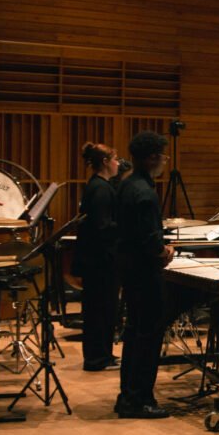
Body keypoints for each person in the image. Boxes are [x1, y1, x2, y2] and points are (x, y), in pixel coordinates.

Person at [114, 131, 174, 419]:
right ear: (152, 157)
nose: (165, 160)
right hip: (145, 274)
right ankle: (140, 400)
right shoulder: (146, 193)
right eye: (163, 155)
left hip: (129, 272)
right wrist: (167, 251)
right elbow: (152, 243)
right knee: (149, 337)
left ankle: (127, 396)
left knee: (135, 334)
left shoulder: (127, 185)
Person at [74, 142, 122, 372]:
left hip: (97, 260)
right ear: (105, 162)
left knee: (102, 310)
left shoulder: (97, 185)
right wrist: (126, 225)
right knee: (101, 310)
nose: (118, 163)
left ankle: (103, 355)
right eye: (115, 159)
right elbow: (103, 227)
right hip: (100, 261)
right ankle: (97, 359)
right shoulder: (101, 188)